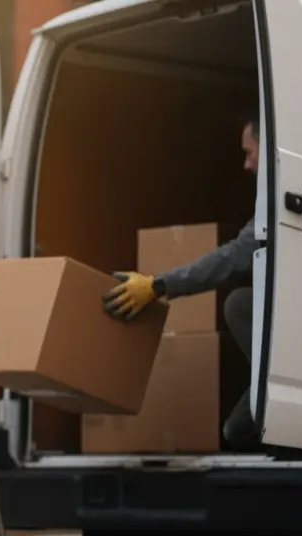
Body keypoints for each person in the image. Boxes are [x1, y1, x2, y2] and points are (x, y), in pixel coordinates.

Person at [101, 114, 261, 450]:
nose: (246, 165)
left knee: (236, 432)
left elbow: (232, 258)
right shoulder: (280, 201)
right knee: (240, 303)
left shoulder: (283, 204)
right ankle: (267, 387)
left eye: (249, 152)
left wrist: (157, 285)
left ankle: (270, 392)